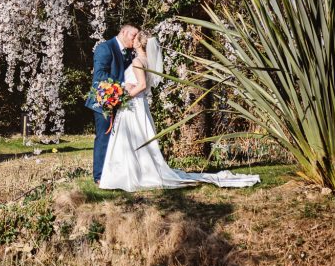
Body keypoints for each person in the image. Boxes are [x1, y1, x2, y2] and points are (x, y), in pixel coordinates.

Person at [98, 30, 260, 191]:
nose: (132, 40)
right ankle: (137, 171)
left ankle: (131, 175)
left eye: (135, 38)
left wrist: (123, 98)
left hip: (133, 105)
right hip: (140, 105)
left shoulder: (137, 62)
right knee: (139, 138)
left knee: (131, 139)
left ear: (139, 43)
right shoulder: (146, 60)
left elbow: (142, 85)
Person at [84, 24, 139, 184]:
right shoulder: (105, 48)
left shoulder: (129, 53)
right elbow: (100, 75)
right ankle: (99, 176)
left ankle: (116, 172)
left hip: (120, 102)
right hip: (103, 101)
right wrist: (123, 84)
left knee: (119, 139)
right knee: (104, 137)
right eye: (133, 36)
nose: (134, 39)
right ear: (123, 32)